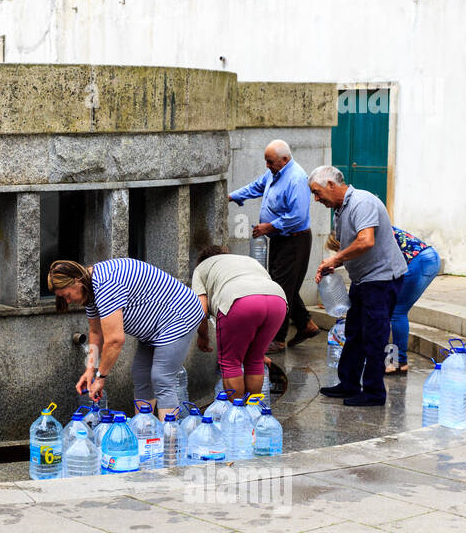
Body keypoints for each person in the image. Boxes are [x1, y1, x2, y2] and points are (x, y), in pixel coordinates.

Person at [48, 258, 204, 414]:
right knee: (141, 375)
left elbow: (115, 340)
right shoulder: (90, 290)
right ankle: (143, 430)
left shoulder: (106, 284)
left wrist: (101, 377)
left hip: (179, 314)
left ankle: (168, 436)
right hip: (154, 326)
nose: (68, 301)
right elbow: (96, 332)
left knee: (162, 379)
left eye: (67, 295)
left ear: (77, 281)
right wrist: (89, 369)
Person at [309, 166, 407, 406]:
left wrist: (336, 258)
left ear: (331, 184)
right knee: (354, 333)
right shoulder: (341, 209)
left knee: (374, 336)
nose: (316, 199)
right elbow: (353, 247)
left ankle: (374, 392)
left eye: (317, 192)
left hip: (382, 280)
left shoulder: (362, 202)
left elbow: (366, 241)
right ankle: (349, 383)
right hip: (364, 279)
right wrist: (337, 264)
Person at [228, 139, 320, 352]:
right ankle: (306, 324)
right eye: (266, 162)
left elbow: (297, 216)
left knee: (280, 289)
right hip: (281, 239)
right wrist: (233, 197)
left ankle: (277, 339)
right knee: (286, 285)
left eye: (270, 162)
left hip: (295, 240)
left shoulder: (296, 179)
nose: (267, 166)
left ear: (284, 160)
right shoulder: (274, 173)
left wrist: (269, 227)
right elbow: (256, 187)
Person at [191, 245, 288, 401]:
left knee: (230, 363)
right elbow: (261, 296)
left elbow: (200, 309)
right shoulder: (248, 260)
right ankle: (254, 412)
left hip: (238, 300)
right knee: (255, 359)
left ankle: (237, 418)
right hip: (277, 300)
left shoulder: (201, 268)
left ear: (202, 260)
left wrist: (203, 336)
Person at [388, 228, 441, 375]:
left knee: (397, 312)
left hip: (419, 261)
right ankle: (398, 362)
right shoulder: (370, 222)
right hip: (428, 257)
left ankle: (398, 362)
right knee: (397, 310)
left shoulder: (365, 232)